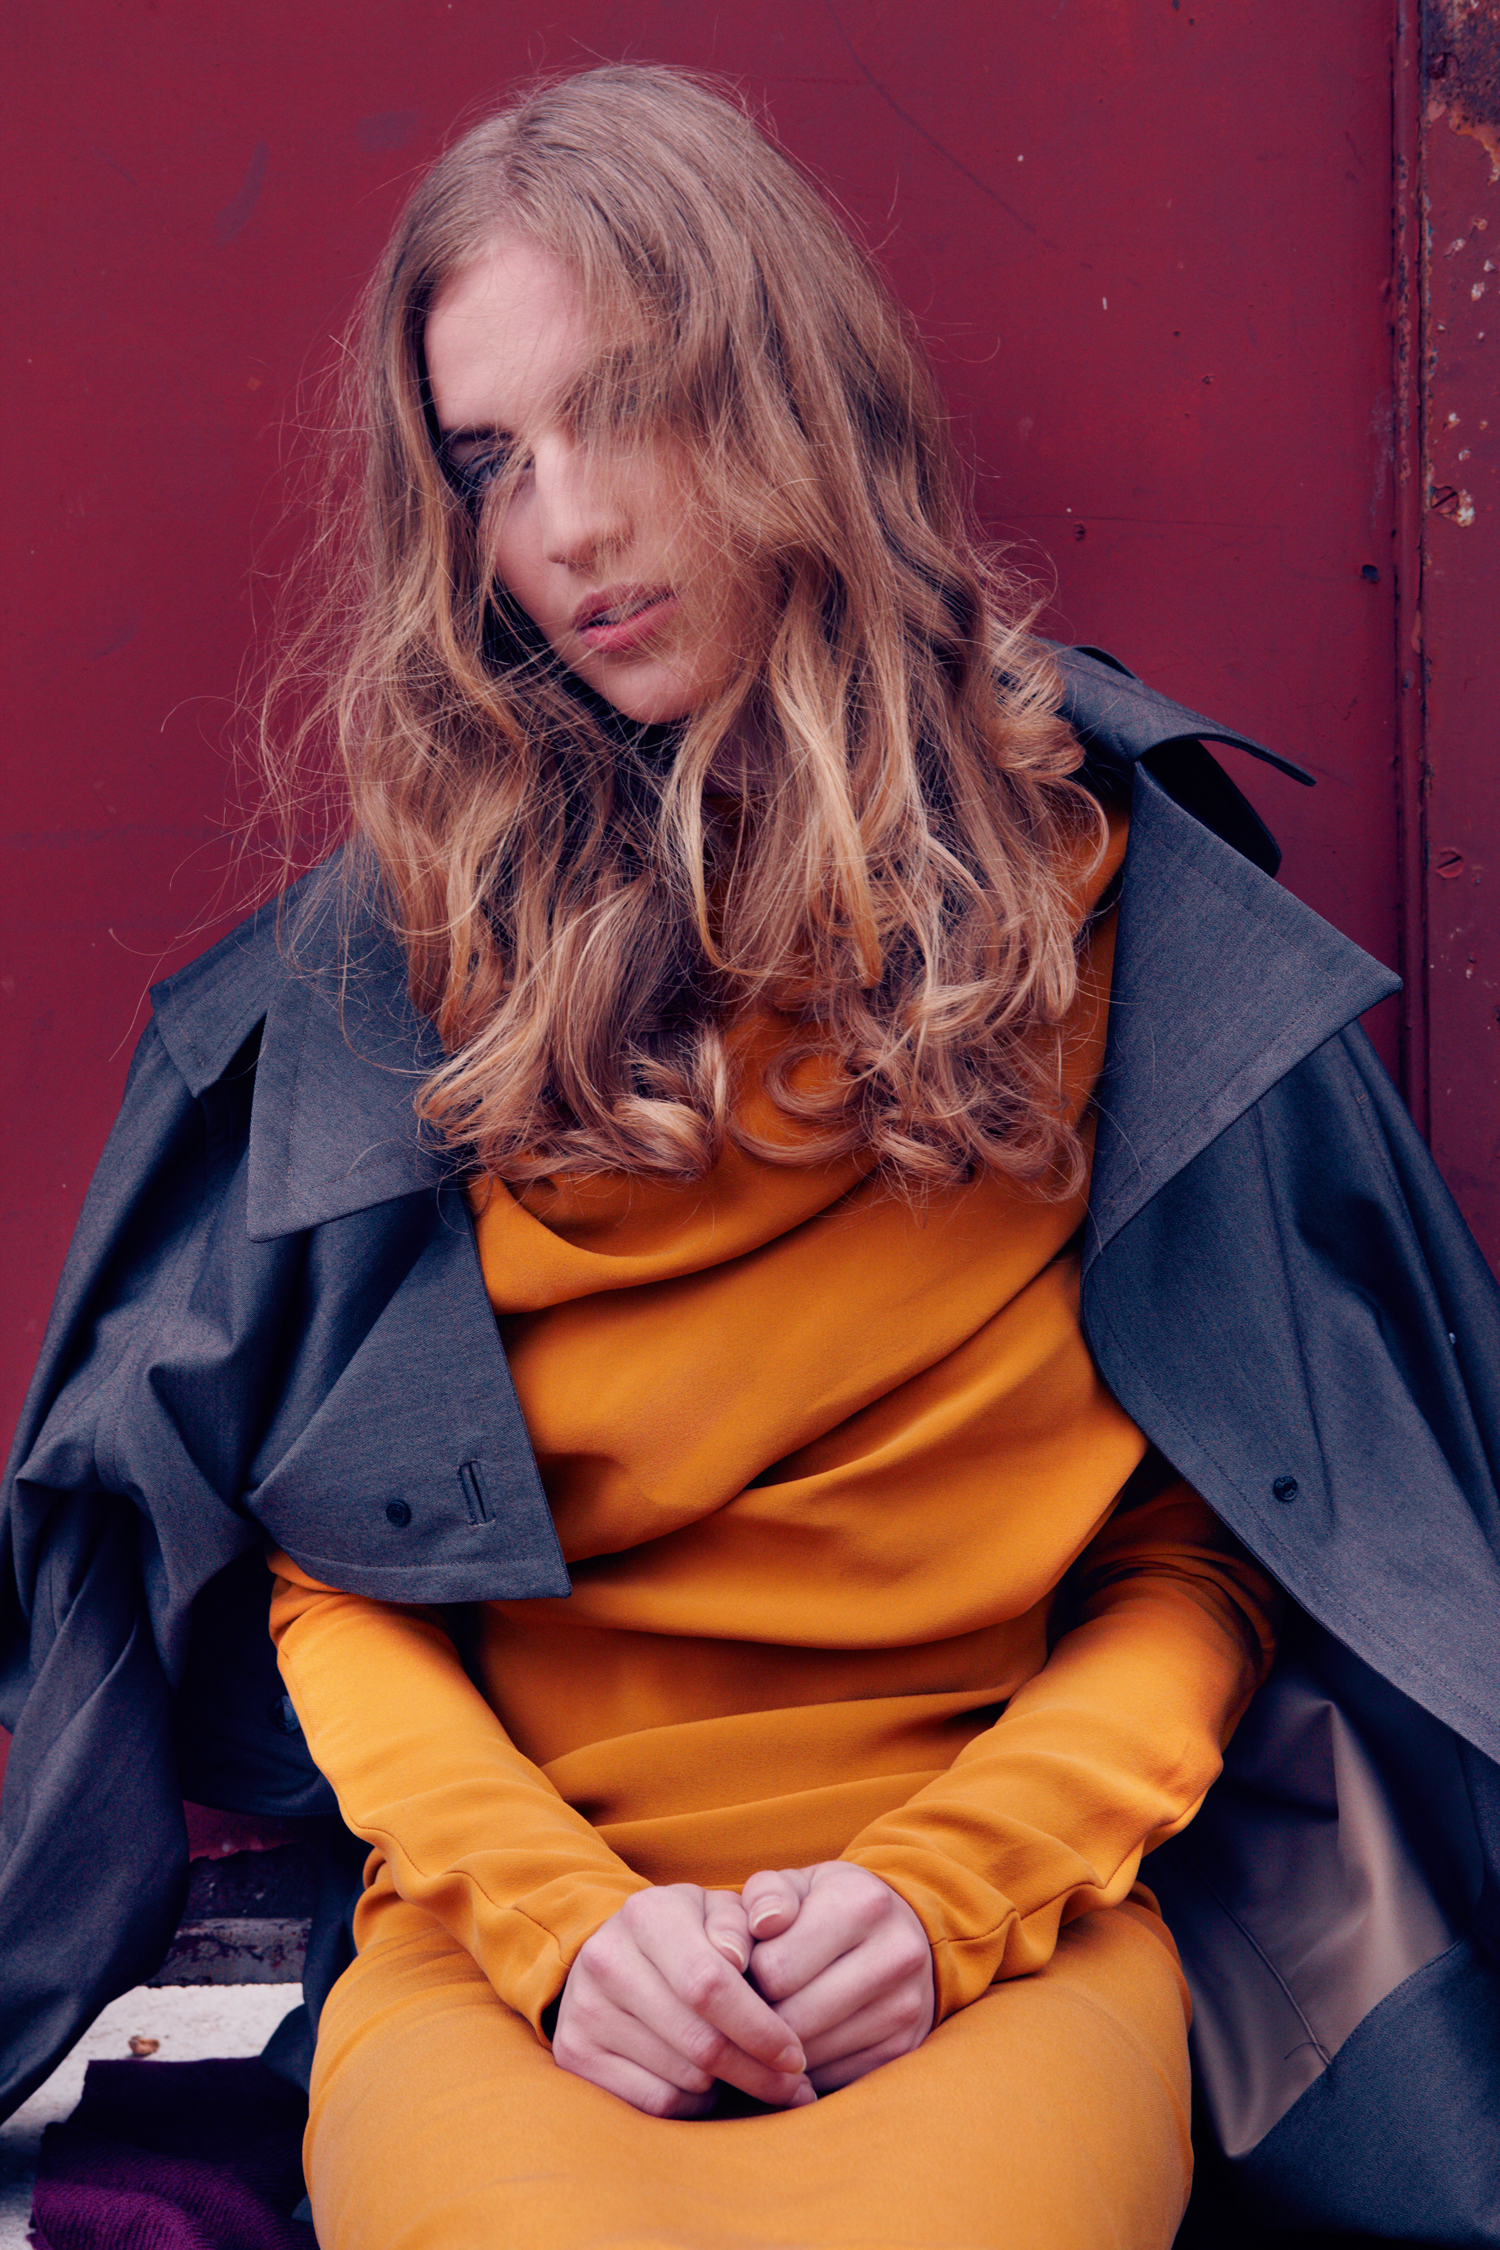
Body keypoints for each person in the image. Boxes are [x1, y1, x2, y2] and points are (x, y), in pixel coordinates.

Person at [4, 61, 1500, 2250]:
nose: (567, 525)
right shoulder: (402, 976)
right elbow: (322, 1572)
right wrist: (558, 1927)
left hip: (1000, 1930)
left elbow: (1214, 1548)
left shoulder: (1104, 909)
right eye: (492, 461)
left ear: (792, 392)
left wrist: (948, 1893)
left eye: (624, 407)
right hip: (511, 1947)